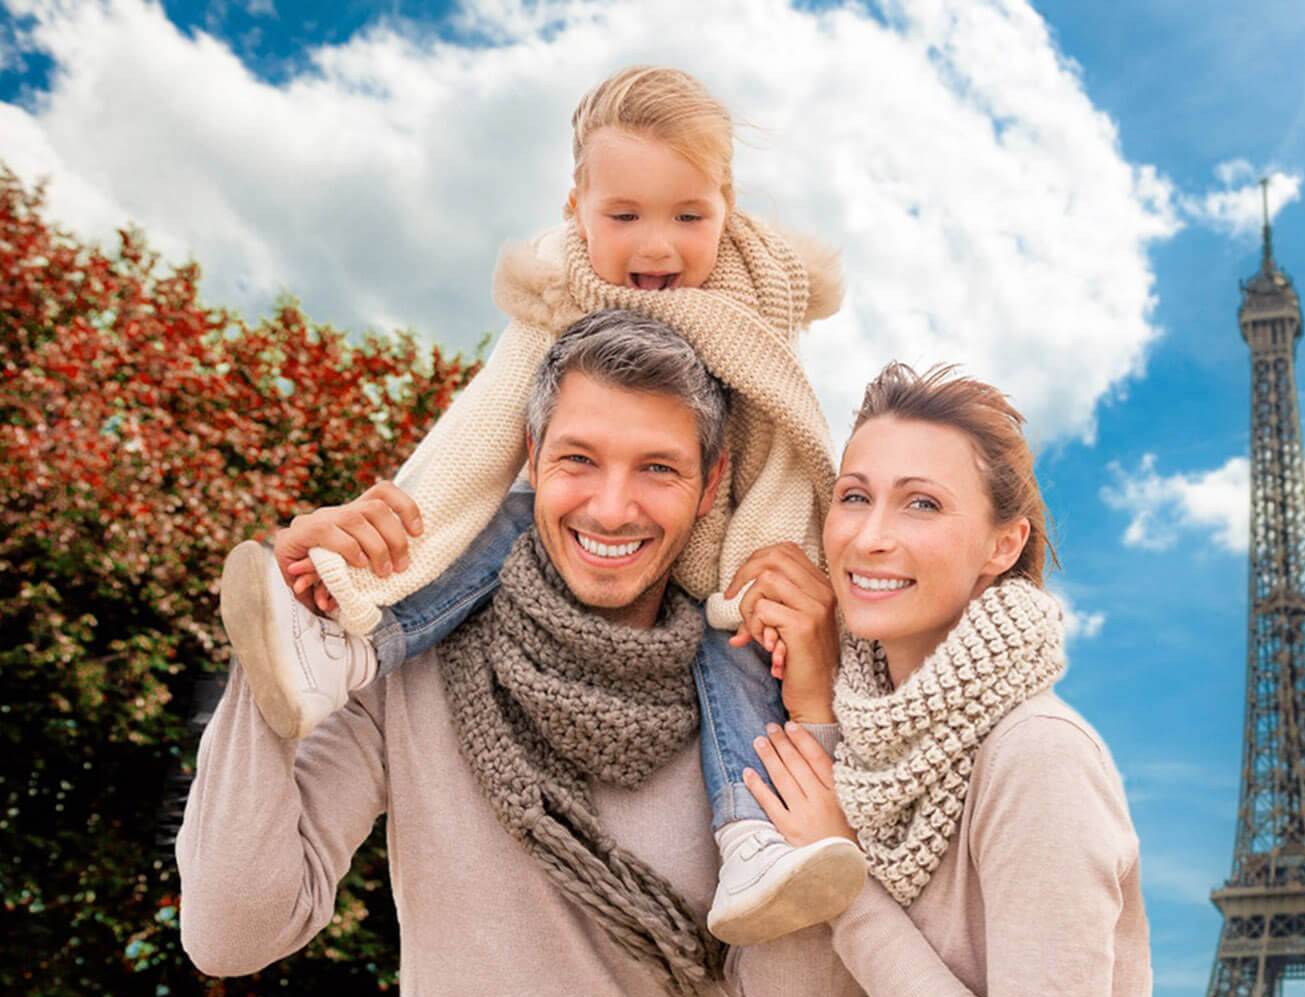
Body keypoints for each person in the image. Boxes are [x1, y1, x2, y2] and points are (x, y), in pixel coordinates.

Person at [177, 313, 867, 997]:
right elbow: (232, 929)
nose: (614, 506)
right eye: (580, 458)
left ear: (711, 487)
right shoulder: (406, 661)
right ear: (532, 457)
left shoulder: (745, 699)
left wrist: (815, 711)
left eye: (659, 469)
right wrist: (279, 641)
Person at [216, 65, 863, 946]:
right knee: (498, 517)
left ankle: (752, 836)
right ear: (576, 209)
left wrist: (783, 619)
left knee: (737, 647)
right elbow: (471, 448)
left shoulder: (759, 299)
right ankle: (344, 646)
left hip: (739, 550)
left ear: (729, 206)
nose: (659, 250)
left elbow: (789, 449)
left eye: (689, 216)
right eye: (624, 216)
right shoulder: (558, 293)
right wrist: (336, 579)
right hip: (475, 580)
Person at [735, 364, 1209, 997]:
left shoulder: (1036, 758)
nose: (872, 537)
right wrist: (817, 725)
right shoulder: (869, 746)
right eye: (855, 496)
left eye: (922, 505)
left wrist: (843, 873)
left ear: (1002, 544)